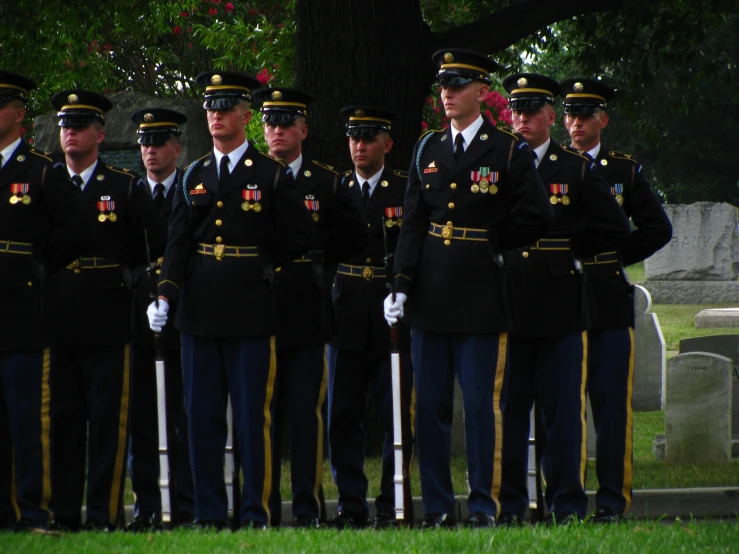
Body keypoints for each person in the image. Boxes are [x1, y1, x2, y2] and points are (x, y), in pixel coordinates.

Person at [384, 50, 554, 529]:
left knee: (482, 407)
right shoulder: (427, 149)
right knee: (430, 408)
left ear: (482, 91)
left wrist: (494, 240)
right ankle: (438, 506)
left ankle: (486, 504)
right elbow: (413, 224)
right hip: (431, 294)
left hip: (481, 294)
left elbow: (539, 214)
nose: (448, 93)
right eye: (443, 85)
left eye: (458, 85)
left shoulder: (506, 150)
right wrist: (401, 283)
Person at [146, 71, 316, 530]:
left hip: (250, 310)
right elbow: (178, 244)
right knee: (200, 418)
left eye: (226, 108)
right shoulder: (194, 175)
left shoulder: (270, 174)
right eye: (211, 108)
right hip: (198, 311)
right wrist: (166, 292)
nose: (217, 116)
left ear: (245, 115)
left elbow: (301, 234)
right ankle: (207, 513)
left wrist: (263, 264)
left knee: (250, 420)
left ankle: (254, 510)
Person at [497, 73, 631, 525]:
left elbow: (615, 227)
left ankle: (567, 503)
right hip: (509, 298)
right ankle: (512, 504)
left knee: (561, 414)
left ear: (551, 117)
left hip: (558, 301)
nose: (522, 119)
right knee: (511, 412)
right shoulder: (498, 162)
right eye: (516, 110)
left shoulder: (573, 168)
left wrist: (571, 248)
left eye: (532, 110)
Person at [46, 89, 167, 532]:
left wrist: (134, 284)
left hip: (109, 318)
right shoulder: (47, 181)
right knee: (63, 420)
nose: (70, 133)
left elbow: (154, 246)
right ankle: (62, 513)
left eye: (79, 125)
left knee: (108, 424)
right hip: (58, 318)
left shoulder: (124, 186)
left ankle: (104, 513)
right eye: (65, 125)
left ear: (100, 133)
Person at [251, 87, 368, 529]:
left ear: (303, 129)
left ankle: (306, 506)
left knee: (305, 413)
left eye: (286, 123)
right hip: (257, 307)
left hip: (306, 307)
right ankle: (262, 506)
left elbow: (356, 237)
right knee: (262, 416)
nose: (277, 130)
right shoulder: (253, 175)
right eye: (271, 123)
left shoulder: (327, 181)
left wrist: (320, 255)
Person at [560, 78, 672, 523]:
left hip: (606, 294)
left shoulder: (622, 170)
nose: (576, 123)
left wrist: (615, 257)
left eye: (586, 114)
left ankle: (611, 501)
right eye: (570, 114)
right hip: (562, 294)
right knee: (563, 405)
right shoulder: (551, 166)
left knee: (609, 407)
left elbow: (657, 228)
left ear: (603, 119)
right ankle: (564, 500)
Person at [0, 71, 86, 532]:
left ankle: (34, 510)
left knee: (29, 420)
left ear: (18, 114)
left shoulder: (41, 170)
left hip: (25, 315)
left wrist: (37, 265)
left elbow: (75, 230)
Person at [325, 106, 414, 529]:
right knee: (343, 412)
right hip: (344, 311)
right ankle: (351, 503)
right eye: (353, 138)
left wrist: (400, 288)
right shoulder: (336, 189)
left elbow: (412, 246)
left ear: (387, 144)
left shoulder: (404, 189)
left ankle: (392, 500)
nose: (359, 146)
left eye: (368, 138)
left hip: (389, 310)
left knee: (394, 410)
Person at [126, 108, 195, 531]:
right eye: (144, 143)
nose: (150, 151)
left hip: (184, 316)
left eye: (158, 143)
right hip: (139, 317)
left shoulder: (189, 191)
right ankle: (146, 505)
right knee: (141, 419)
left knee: (184, 415)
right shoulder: (131, 194)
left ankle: (184, 504)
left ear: (176, 148)